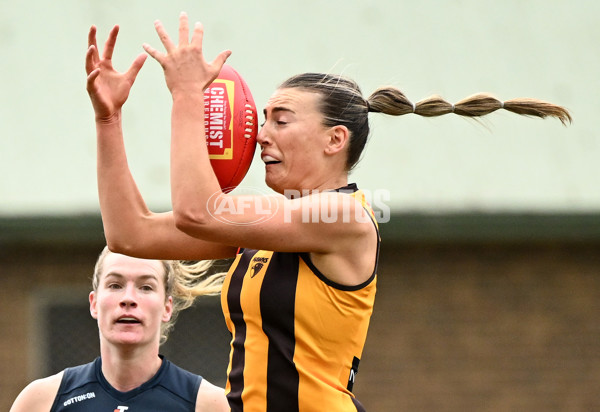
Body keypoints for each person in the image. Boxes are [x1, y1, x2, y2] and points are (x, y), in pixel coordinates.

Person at [85, 13, 571, 412]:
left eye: (281, 119)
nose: (260, 134)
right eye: (262, 119)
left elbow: (198, 213)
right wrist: (109, 119)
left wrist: (190, 96)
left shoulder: (346, 218)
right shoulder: (272, 225)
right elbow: (130, 235)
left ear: (335, 140)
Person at [10, 247, 229, 412]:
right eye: (115, 285)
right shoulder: (40, 401)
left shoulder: (210, 404)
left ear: (166, 307)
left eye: (146, 287)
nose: (128, 299)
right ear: (94, 303)